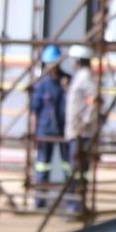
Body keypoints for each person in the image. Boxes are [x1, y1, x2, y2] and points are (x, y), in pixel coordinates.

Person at [30, 44, 69, 210]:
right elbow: (35, 111)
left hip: (64, 129)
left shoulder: (67, 80)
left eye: (54, 62)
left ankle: (72, 201)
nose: (52, 66)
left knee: (69, 165)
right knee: (43, 165)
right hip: (45, 130)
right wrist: (34, 132)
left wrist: (68, 88)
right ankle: (40, 200)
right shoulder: (41, 84)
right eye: (49, 63)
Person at [65, 44, 99, 213]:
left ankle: (76, 204)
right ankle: (76, 203)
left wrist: (86, 119)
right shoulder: (81, 76)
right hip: (78, 130)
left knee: (78, 168)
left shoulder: (85, 77)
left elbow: (94, 99)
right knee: (78, 169)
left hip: (81, 132)